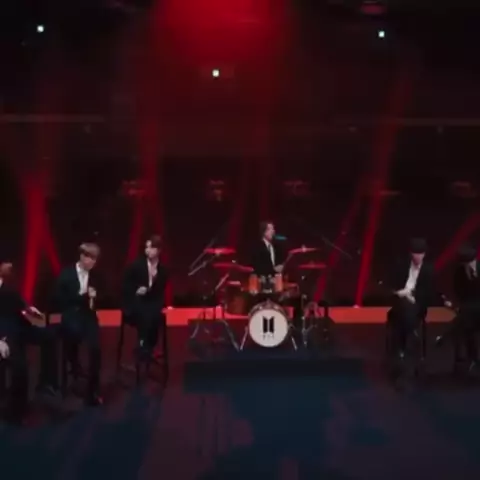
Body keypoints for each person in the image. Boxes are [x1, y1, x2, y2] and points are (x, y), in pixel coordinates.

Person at [0, 256, 59, 421]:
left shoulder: (8, 287)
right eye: (6, 264)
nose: (11, 266)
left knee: (49, 335)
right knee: (19, 364)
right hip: (4, 335)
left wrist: (33, 313)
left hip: (18, 327)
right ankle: (16, 410)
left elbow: (22, 307)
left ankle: (46, 383)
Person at [55, 243, 103, 406]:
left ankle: (93, 390)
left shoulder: (96, 276)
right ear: (82, 256)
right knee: (72, 336)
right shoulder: (66, 274)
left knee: (96, 348)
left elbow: (105, 296)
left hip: (88, 316)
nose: (93, 263)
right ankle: (74, 367)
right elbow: (58, 299)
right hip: (71, 315)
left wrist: (96, 296)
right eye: (90, 259)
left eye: (95, 260)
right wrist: (81, 296)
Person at [387, 238, 435, 362]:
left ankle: (400, 346)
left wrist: (411, 294)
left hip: (417, 303)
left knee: (403, 312)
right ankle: (411, 331)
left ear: (424, 254)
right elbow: (393, 285)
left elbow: (429, 293)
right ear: (411, 253)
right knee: (403, 307)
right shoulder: (402, 265)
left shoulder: (429, 269)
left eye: (421, 254)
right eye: (415, 254)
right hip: (401, 301)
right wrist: (400, 292)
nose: (418, 257)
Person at [122, 235, 168, 360]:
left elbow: (159, 291)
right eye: (146, 247)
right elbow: (125, 284)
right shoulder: (136, 265)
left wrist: (154, 278)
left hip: (152, 303)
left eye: (151, 247)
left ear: (158, 250)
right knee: (145, 313)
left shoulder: (162, 270)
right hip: (136, 302)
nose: (148, 250)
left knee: (154, 314)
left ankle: (147, 346)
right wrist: (136, 290)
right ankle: (143, 344)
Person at [451, 244, 480, 372]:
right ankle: (471, 358)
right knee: (463, 324)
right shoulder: (459, 272)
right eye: (466, 263)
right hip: (468, 308)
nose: (469, 265)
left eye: (470, 262)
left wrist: (475, 277)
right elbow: (459, 292)